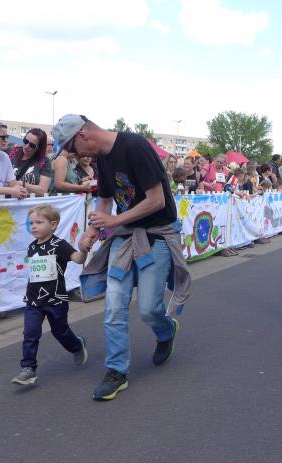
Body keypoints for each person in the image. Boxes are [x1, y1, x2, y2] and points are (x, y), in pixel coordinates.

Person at [52, 114, 191, 401]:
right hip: (124, 237)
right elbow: (105, 200)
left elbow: (157, 201)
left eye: (73, 149)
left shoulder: (134, 146)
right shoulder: (102, 158)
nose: (76, 156)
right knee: (114, 305)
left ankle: (166, 331)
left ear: (83, 135)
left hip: (156, 236)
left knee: (149, 309)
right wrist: (93, 230)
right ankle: (116, 371)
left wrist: (113, 221)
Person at [11, 204, 88, 386]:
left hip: (56, 299)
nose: (34, 226)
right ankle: (28, 369)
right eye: (31, 223)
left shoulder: (59, 245)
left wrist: (83, 250)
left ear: (53, 225)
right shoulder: (32, 247)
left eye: (39, 222)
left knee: (60, 332)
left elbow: (78, 259)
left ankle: (77, 346)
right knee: (30, 333)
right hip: (34, 300)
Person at [7, 128, 53, 196]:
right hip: (7, 200)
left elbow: (43, 190)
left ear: (39, 148)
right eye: (25, 141)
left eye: (32, 145)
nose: (27, 146)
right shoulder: (10, 152)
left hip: (29, 202)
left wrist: (21, 183)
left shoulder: (45, 161)